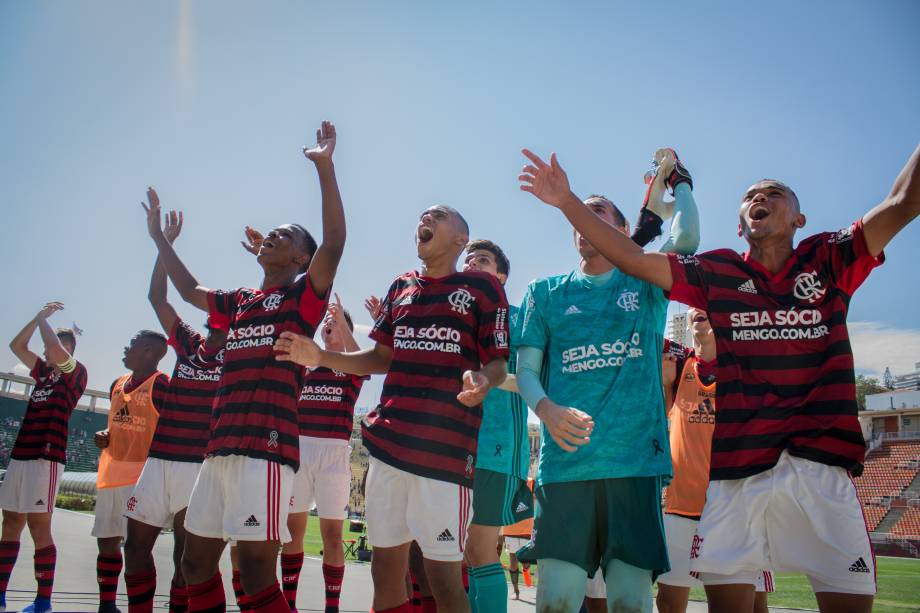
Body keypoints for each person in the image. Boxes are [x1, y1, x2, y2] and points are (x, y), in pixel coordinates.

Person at [517, 143, 920, 613]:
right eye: (749, 196)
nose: (757, 198)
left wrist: (673, 189)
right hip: (737, 473)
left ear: (798, 219)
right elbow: (632, 259)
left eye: (771, 193)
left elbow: (903, 202)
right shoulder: (719, 272)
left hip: (822, 465)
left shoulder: (828, 259)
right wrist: (567, 202)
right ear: (738, 224)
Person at [143, 120, 345, 610]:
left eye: (284, 235)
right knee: (194, 562)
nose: (271, 236)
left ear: (301, 256)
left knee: (256, 573)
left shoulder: (302, 298)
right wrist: (159, 240)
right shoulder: (240, 301)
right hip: (219, 449)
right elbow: (190, 292)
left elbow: (334, 244)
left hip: (266, 452)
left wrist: (325, 167)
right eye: (269, 234)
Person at [274, 204, 510, 613]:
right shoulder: (401, 285)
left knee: (443, 579)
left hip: (445, 456)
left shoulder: (482, 290)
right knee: (387, 574)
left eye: (439, 216)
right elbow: (380, 357)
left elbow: (497, 360)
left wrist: (484, 380)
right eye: (423, 215)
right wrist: (319, 356)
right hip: (388, 449)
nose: (426, 220)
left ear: (459, 239)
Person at [513, 149, 700, 613]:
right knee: (555, 601)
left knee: (631, 603)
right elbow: (527, 372)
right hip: (566, 467)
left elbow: (689, 239)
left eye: (597, 212)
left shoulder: (645, 282)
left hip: (633, 466)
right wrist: (547, 410)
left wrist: (681, 186)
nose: (584, 220)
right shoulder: (544, 292)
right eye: (581, 213)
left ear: (620, 232)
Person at [123, 210, 227, 613]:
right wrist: (163, 244)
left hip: (200, 466)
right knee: (135, 547)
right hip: (160, 460)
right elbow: (157, 299)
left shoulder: (241, 355)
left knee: (187, 559)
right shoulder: (188, 342)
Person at [656, 313, 773, 613]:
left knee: (751, 604)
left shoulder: (745, 368)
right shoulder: (678, 364)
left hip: (734, 507)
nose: (701, 307)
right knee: (668, 604)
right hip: (680, 506)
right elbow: (638, 327)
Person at [1, 303, 87, 613]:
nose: (52, 349)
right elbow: (16, 346)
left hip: (46, 458)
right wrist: (35, 318)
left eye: (62, 346)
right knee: (10, 521)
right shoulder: (41, 373)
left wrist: (42, 319)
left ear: (70, 352)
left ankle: (43, 600)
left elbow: (52, 345)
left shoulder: (74, 373)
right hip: (21, 455)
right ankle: (0, 593)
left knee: (39, 526)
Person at [282, 296, 365, 612]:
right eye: (327, 323)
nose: (329, 326)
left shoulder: (351, 366)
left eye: (336, 324)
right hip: (300, 450)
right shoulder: (306, 367)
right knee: (292, 532)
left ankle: (332, 606)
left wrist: (344, 322)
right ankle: (288, 603)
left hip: (333, 455)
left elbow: (363, 358)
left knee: (333, 536)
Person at [461, 239, 531, 613]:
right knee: (447, 551)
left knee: (479, 550)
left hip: (495, 451)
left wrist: (487, 378)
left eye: (483, 260)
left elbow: (532, 380)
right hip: (450, 446)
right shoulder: (453, 317)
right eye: (468, 258)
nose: (472, 262)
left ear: (501, 276)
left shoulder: (519, 318)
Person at [95, 331, 169, 613]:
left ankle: (139, 607)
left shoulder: (161, 385)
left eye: (131, 346)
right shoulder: (117, 383)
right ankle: (107, 605)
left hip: (142, 477)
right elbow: (113, 425)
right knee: (106, 541)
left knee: (137, 550)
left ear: (149, 351)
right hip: (111, 472)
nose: (125, 350)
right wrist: (104, 434)